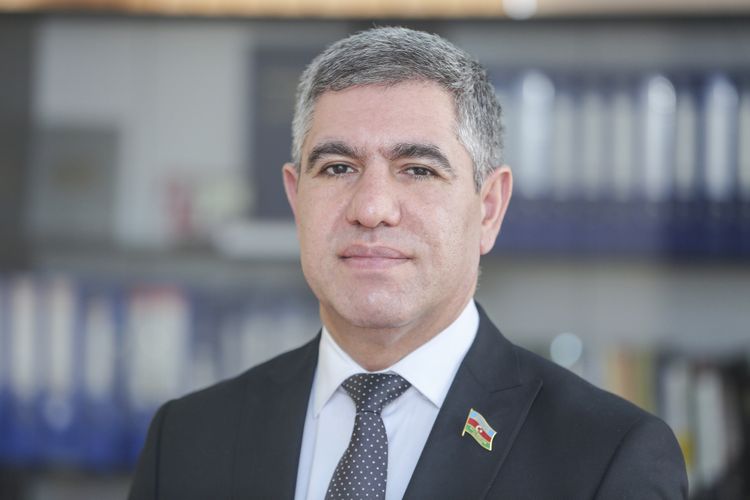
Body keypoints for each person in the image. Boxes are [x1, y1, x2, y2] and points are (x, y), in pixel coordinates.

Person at [128, 27, 687, 499]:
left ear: (489, 209)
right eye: (338, 168)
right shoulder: (186, 440)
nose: (372, 208)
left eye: (418, 169)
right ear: (296, 200)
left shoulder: (609, 459)